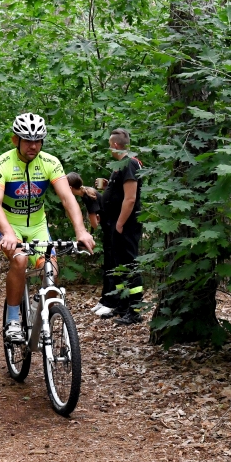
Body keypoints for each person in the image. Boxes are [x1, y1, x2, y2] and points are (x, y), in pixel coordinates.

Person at [0, 112, 95, 343]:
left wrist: (81, 231)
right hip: (10, 225)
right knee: (20, 260)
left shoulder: (50, 163)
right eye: (28, 140)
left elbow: (67, 198)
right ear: (15, 140)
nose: (33, 146)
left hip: (37, 226)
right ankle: (13, 320)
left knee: (51, 271)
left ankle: (38, 308)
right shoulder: (1, 164)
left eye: (38, 140)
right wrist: (8, 233)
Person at [94, 128, 144, 325]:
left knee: (130, 265)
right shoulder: (120, 166)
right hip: (116, 223)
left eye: (109, 145)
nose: (109, 149)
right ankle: (122, 305)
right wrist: (109, 186)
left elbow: (130, 198)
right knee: (119, 266)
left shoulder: (130, 163)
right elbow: (121, 193)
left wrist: (121, 224)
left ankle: (135, 310)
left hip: (126, 225)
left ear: (115, 145)